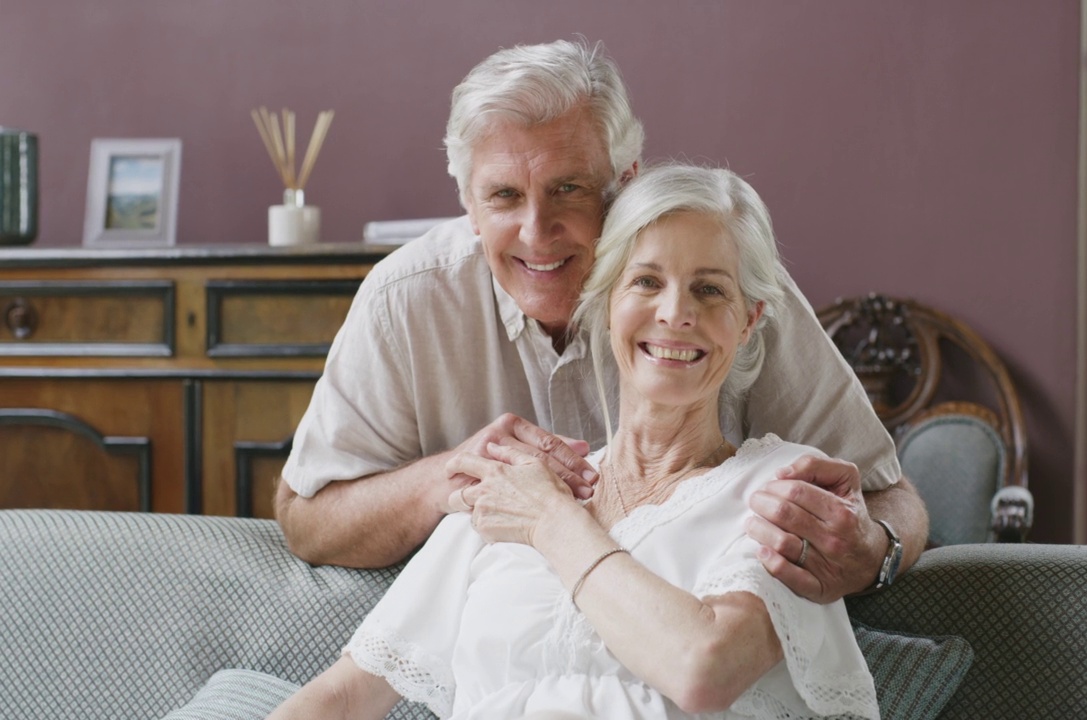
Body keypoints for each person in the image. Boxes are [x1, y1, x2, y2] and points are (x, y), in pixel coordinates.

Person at [275, 39, 927, 602]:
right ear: (468, 204)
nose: (537, 233)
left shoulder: (720, 293)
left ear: (626, 183)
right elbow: (303, 515)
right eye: (504, 195)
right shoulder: (406, 299)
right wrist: (452, 478)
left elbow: (892, 496)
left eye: (568, 189)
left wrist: (872, 553)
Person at [269, 164, 882, 720]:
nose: (675, 313)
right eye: (646, 281)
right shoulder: (516, 485)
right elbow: (345, 695)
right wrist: (536, 502)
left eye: (710, 289)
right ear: (606, 300)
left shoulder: (783, 492)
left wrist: (550, 521)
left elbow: (704, 670)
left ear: (749, 320)